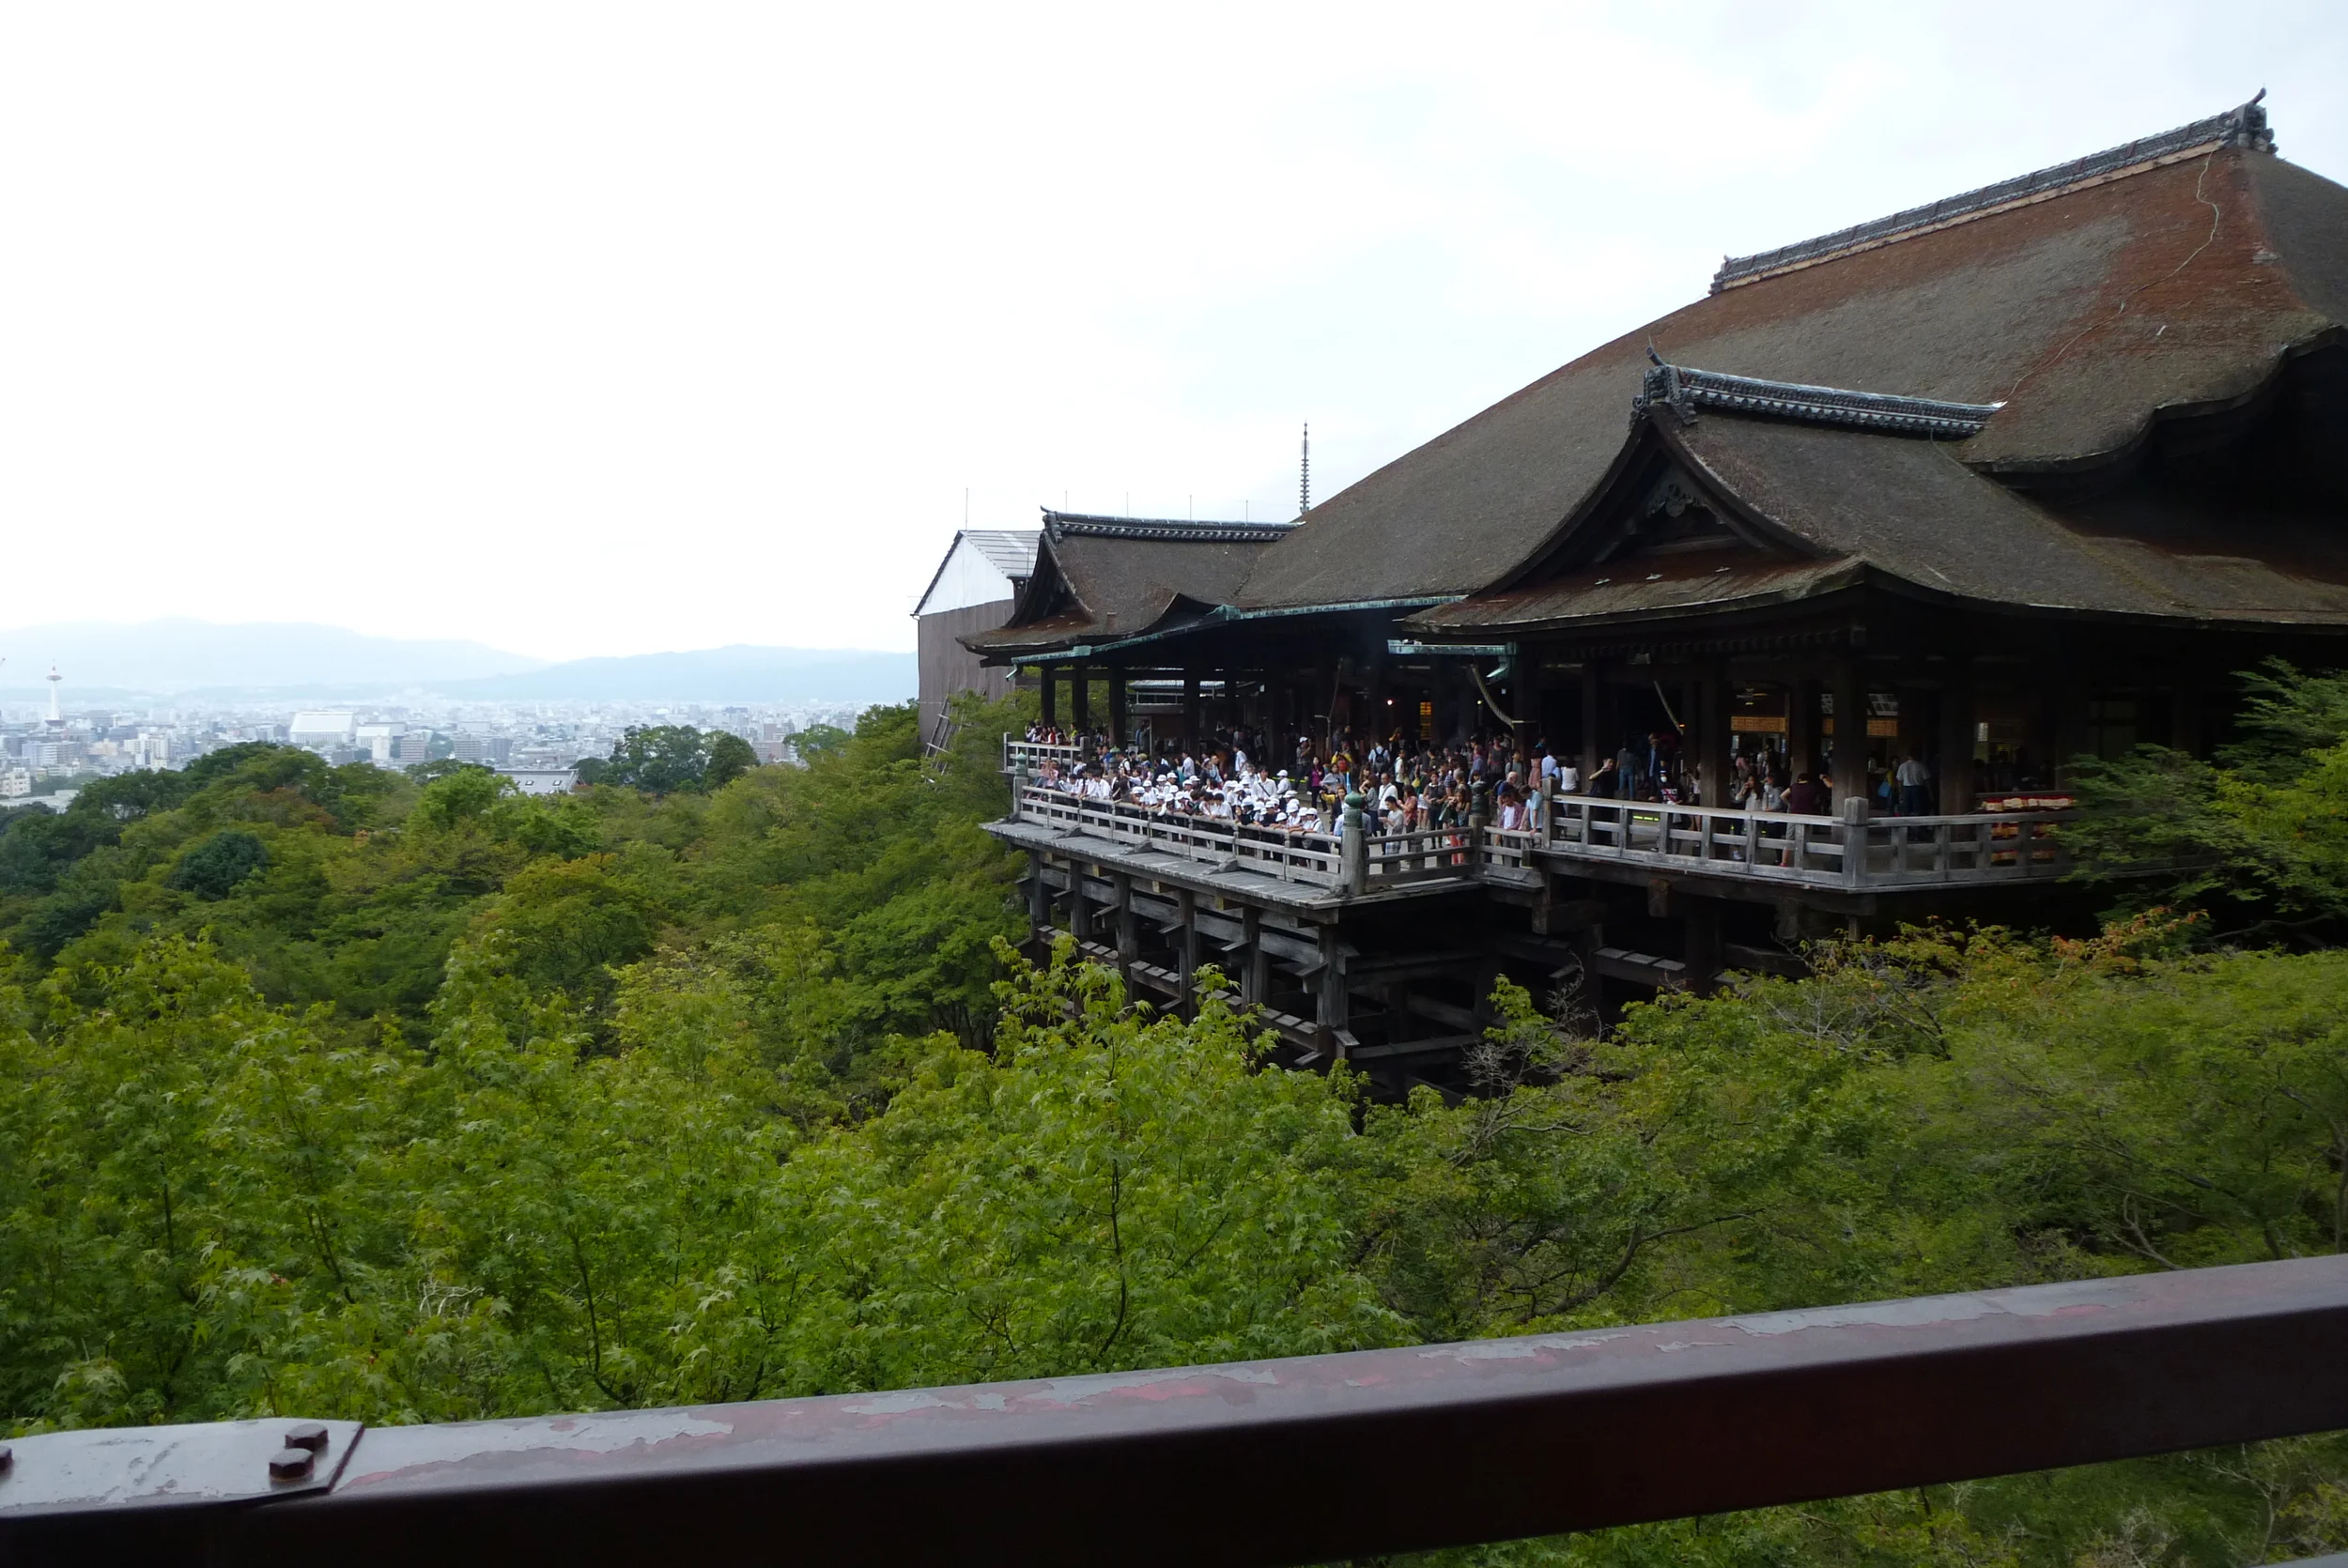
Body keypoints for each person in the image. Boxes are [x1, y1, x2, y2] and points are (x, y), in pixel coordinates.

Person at [1895, 752, 1932, 817]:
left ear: (1908, 756)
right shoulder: (1920, 765)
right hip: (1918, 789)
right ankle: (1918, 825)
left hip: (1906, 788)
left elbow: (1899, 781)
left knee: (1906, 809)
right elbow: (1926, 779)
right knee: (1918, 809)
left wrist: (1900, 792)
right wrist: (1930, 792)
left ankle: (1907, 825)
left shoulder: (1902, 766)